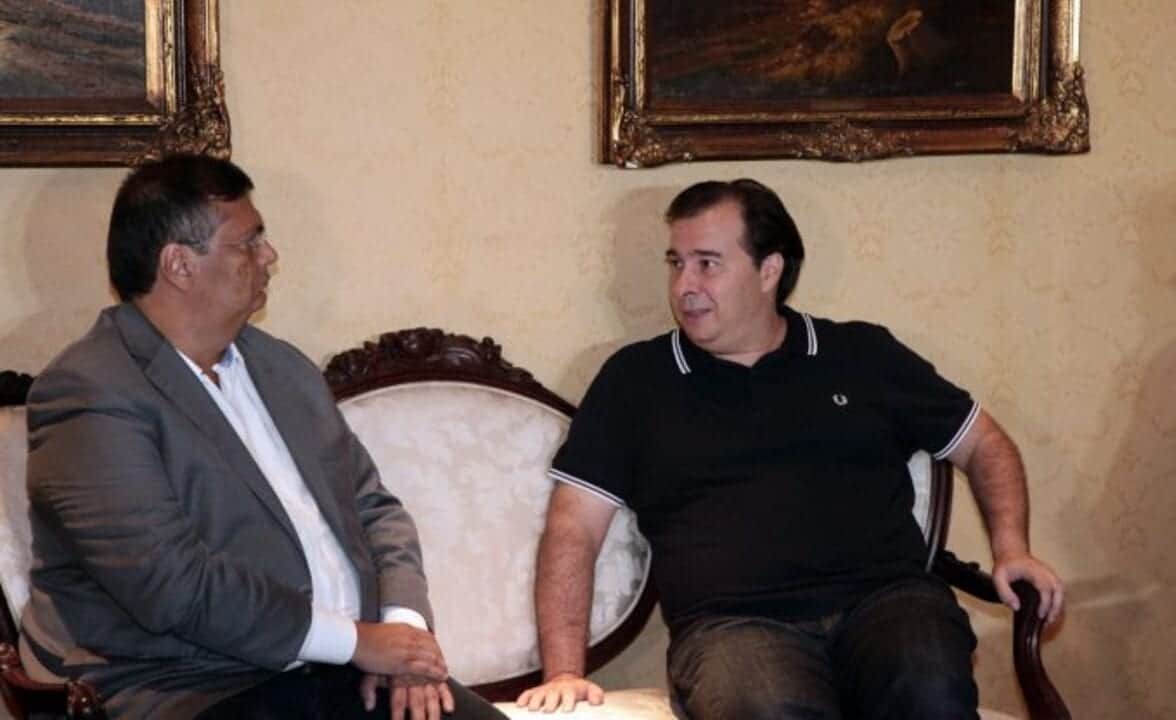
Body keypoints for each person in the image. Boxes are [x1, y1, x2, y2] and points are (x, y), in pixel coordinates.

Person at [516, 179, 1064, 719]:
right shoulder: (636, 380)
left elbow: (984, 444)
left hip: (886, 603)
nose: (684, 285)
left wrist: (1012, 548)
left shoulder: (861, 354)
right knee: (768, 708)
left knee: (928, 687)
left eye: (707, 264)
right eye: (676, 263)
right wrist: (563, 672)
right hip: (733, 627)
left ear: (769, 270)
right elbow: (573, 528)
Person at [21, 154, 505, 720]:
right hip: (192, 687)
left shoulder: (282, 368)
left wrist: (403, 636)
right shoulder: (91, 391)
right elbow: (171, 585)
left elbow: (374, 508)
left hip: (345, 672)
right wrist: (356, 641)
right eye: (248, 243)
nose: (269, 256)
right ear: (179, 264)